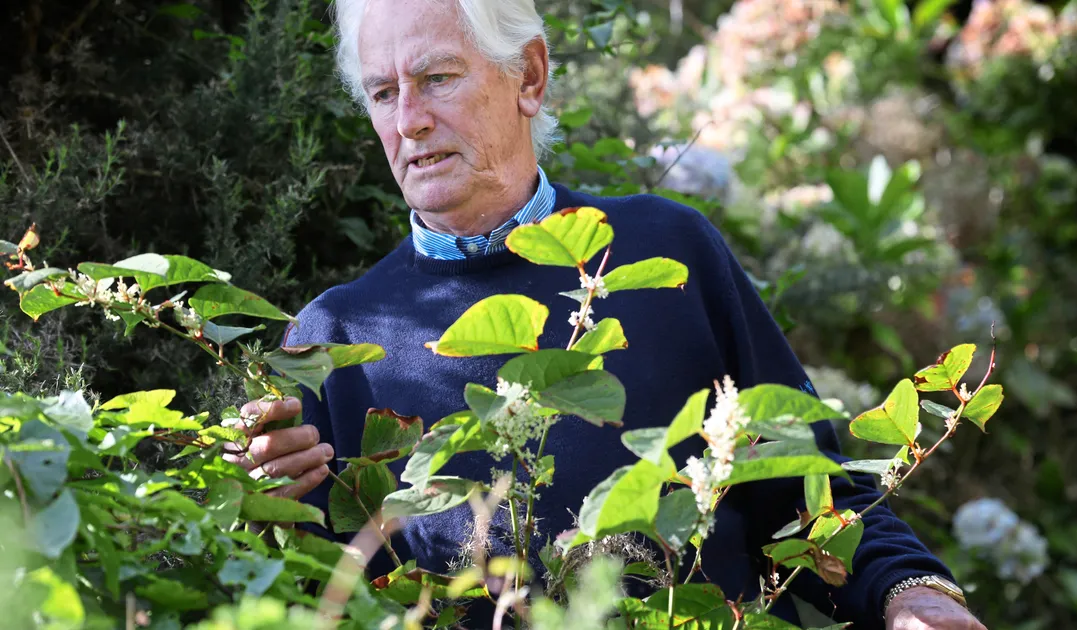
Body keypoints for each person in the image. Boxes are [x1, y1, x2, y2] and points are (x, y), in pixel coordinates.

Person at [224, 1, 987, 628]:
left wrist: (911, 594)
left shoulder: (667, 249)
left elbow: (810, 495)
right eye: (384, 93)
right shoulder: (336, 341)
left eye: (437, 78)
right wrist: (265, 504)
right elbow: (328, 593)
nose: (410, 120)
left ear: (528, 74)